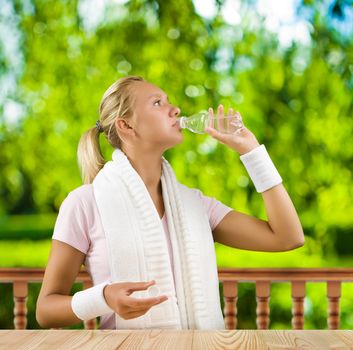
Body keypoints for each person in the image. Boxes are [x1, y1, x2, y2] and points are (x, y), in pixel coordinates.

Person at [36, 75, 305, 330]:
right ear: (126, 125)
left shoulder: (196, 206)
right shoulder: (84, 204)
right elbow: (45, 310)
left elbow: (287, 237)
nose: (175, 109)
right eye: (157, 103)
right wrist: (104, 298)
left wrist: (251, 150)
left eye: (168, 101)